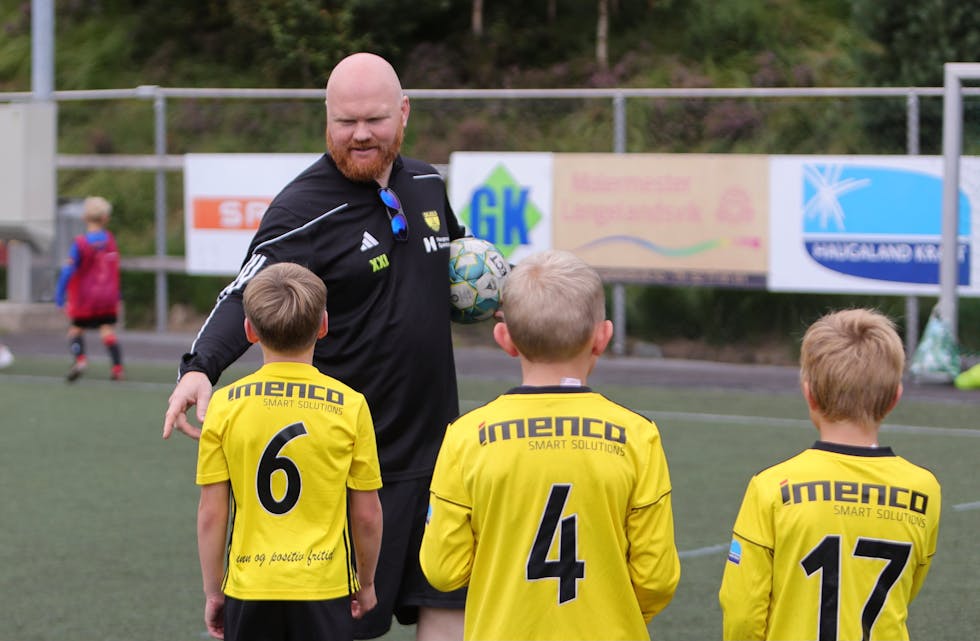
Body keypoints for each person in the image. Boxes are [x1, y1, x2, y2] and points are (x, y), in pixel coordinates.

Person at [163, 52, 467, 640]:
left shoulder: (428, 183)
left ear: (404, 112)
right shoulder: (302, 208)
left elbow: (462, 261)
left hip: (441, 458)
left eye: (374, 119)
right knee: (351, 626)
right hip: (356, 471)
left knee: (450, 613)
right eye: (345, 121)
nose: (360, 134)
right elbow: (244, 291)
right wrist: (200, 367)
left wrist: (502, 294)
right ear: (326, 119)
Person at [419, 249, 681, 640]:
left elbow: (443, 569)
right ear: (603, 337)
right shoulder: (637, 436)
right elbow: (656, 578)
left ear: (505, 339)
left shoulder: (467, 436)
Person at [718, 308, 942, 641]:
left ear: (808, 393)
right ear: (895, 397)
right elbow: (908, 586)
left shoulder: (771, 488)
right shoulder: (924, 490)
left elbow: (742, 614)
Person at [196, 262, 383, 641]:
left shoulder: (225, 405)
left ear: (249, 330)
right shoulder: (350, 406)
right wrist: (365, 583)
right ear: (323, 325)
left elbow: (212, 514)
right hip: (323, 587)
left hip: (250, 586)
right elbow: (366, 514)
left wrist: (214, 591)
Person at [54, 195, 124, 382]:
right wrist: (118, 294)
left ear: (84, 217)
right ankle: (117, 367)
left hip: (85, 298)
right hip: (107, 296)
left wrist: (59, 294)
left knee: (76, 331)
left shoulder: (80, 244)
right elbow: (114, 268)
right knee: (107, 331)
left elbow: (68, 271)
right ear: (105, 218)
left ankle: (80, 359)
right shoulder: (110, 240)